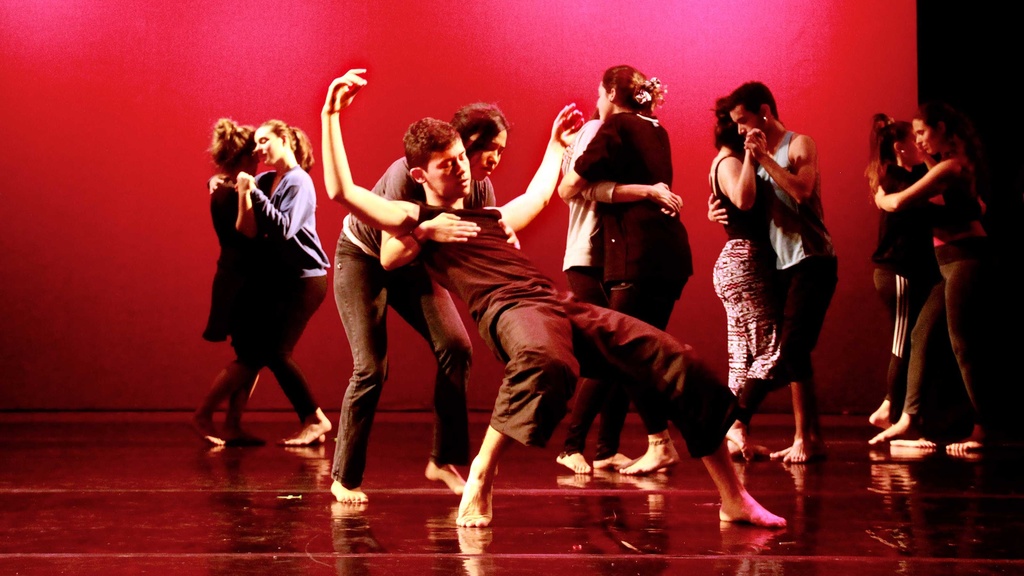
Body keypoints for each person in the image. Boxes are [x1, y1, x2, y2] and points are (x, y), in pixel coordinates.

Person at [321, 69, 786, 529]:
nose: (463, 168)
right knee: (545, 362)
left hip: (555, 303)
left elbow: (539, 195)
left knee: (677, 360)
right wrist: (331, 116)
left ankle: (734, 498)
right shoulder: (414, 216)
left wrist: (556, 146)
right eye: (449, 165)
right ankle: (481, 472)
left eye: (462, 157)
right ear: (421, 175)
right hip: (509, 310)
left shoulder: (492, 214)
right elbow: (344, 192)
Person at [330, 102, 565, 504]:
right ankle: (344, 477)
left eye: (501, 151)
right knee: (371, 368)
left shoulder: (477, 187)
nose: (494, 161)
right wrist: (426, 231)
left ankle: (442, 460)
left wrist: (500, 237)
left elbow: (523, 206)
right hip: (365, 259)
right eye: (490, 150)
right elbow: (388, 256)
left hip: (415, 261)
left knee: (456, 347)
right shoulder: (406, 178)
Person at [555, 66, 690, 476]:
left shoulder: (613, 127)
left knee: (621, 354)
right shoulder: (647, 129)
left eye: (600, 94)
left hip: (624, 256)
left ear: (612, 94)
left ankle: (620, 446)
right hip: (604, 256)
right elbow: (578, 189)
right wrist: (646, 191)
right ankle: (586, 446)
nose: (597, 102)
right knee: (618, 354)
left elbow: (572, 187)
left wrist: (645, 192)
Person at [870, 102, 993, 455]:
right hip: (947, 265)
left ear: (941, 129)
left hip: (964, 259)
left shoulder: (950, 167)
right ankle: (909, 417)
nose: (919, 139)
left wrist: (880, 195)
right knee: (920, 334)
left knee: (962, 345)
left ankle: (982, 427)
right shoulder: (945, 165)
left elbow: (899, 203)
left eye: (922, 132)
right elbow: (977, 206)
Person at [725, 81, 838, 463]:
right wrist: (718, 210)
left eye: (743, 120)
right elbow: (745, 203)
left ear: (764, 112)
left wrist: (765, 159)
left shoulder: (799, 143)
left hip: (812, 258)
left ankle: (804, 437)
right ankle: (811, 437)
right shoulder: (755, 156)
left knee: (792, 349)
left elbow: (802, 191)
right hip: (781, 265)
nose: (739, 129)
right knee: (792, 352)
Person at [232, 118, 334, 446]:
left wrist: (252, 192)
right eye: (256, 143)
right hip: (284, 280)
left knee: (276, 352)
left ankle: (315, 419)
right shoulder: (266, 180)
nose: (258, 148)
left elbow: (284, 229)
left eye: (264, 140)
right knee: (263, 351)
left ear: (285, 139)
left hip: (306, 278)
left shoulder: (299, 181)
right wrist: (234, 188)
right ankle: (234, 423)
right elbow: (248, 228)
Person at [707, 98, 781, 460]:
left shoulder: (723, 162)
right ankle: (736, 423)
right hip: (745, 263)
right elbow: (744, 199)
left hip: (735, 264)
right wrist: (752, 155)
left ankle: (734, 432)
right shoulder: (730, 161)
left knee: (742, 356)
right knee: (772, 349)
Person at [862, 115, 939, 436]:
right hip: (897, 273)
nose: (920, 144)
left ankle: (890, 407)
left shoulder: (905, 175)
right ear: (899, 148)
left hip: (904, 273)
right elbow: (924, 205)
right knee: (902, 342)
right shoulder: (895, 179)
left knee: (908, 340)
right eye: (913, 140)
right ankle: (890, 410)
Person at [192, 118, 264, 446]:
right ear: (244, 157)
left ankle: (233, 423)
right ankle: (204, 413)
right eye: (255, 156)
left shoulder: (226, 188)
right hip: (239, 283)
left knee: (254, 356)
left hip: (243, 279)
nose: (260, 161)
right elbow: (247, 234)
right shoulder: (229, 194)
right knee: (250, 356)